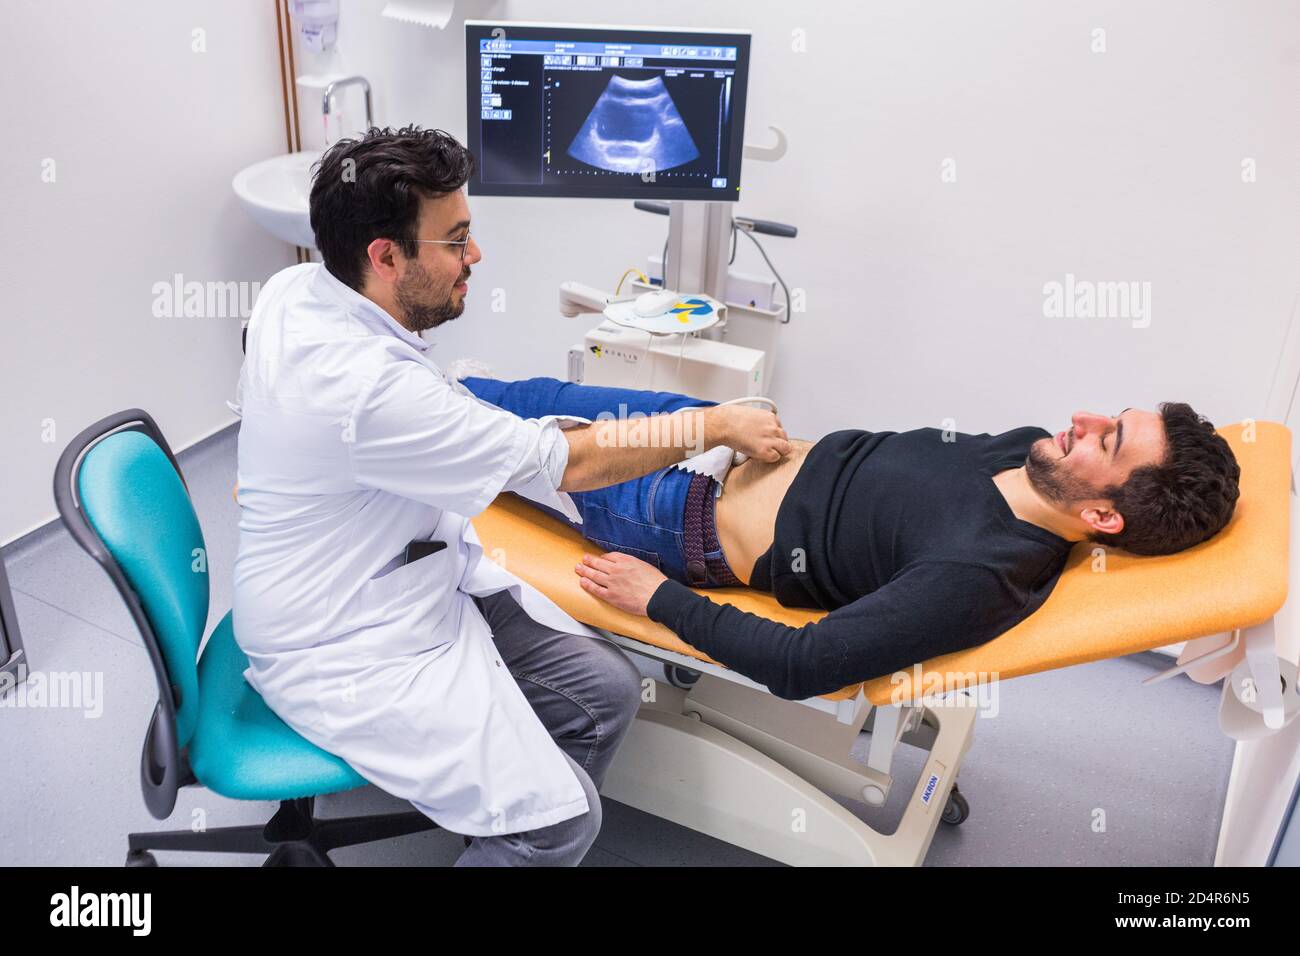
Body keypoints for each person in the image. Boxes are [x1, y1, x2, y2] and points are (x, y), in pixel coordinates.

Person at [229, 125, 788, 866]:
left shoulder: (297, 287)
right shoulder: (372, 392)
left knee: (606, 693)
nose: (476, 256)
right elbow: (567, 466)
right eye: (456, 240)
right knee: (561, 824)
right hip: (345, 640)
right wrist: (711, 424)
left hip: (401, 574)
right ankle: (525, 832)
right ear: (385, 256)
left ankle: (502, 820)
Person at [459, 376, 1242, 700]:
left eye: (1108, 442)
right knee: (503, 393)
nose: (1086, 421)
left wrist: (660, 598)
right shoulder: (1030, 448)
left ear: (1105, 518)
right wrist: (740, 429)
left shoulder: (981, 575)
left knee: (467, 444)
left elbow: (804, 665)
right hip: (718, 428)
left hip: (667, 510)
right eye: (1113, 416)